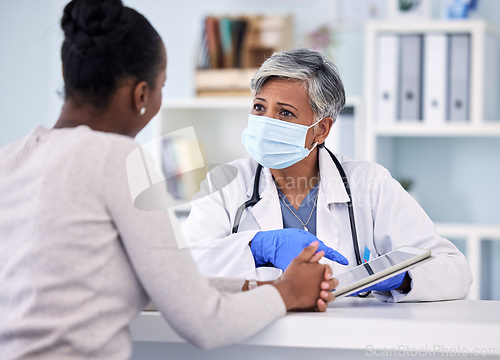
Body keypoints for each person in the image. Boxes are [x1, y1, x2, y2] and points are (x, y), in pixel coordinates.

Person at [0, 2, 339, 358]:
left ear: (66, 75)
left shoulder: (10, 159)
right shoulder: (120, 161)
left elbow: (159, 284)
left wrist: (256, 285)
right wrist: (287, 293)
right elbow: (205, 322)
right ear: (142, 95)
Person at [183, 48, 473, 302]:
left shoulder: (369, 184)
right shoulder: (225, 183)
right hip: (256, 336)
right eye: (260, 107)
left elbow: (454, 270)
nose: (266, 122)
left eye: (285, 113)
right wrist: (255, 247)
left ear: (321, 129)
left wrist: (399, 277)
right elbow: (180, 268)